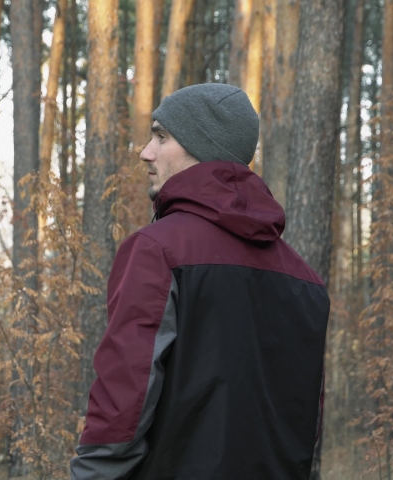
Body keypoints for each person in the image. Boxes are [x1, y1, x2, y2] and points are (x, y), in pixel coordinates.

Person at [70, 83, 329, 479]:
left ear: (201, 148)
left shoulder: (156, 250)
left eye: (161, 137)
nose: (145, 152)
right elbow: (307, 429)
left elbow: (123, 405)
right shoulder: (306, 279)